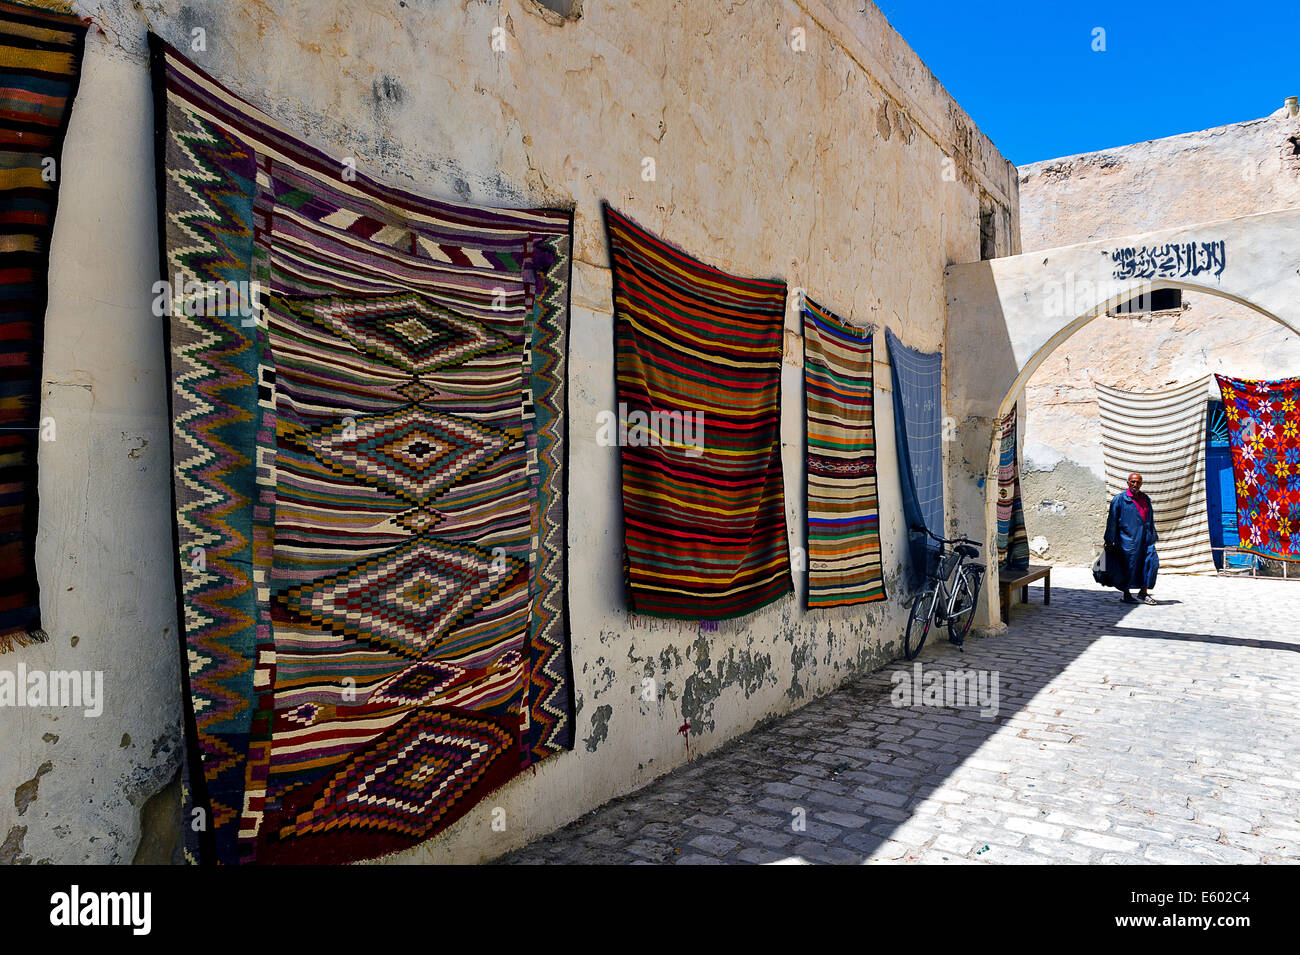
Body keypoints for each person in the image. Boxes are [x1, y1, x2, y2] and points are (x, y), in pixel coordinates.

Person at [1104, 472, 1159, 604]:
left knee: (1152, 563)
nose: (1135, 484)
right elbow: (1112, 520)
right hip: (1127, 540)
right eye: (1133, 482)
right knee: (1128, 566)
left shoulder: (1145, 499)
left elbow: (1149, 519)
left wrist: (1152, 535)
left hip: (1145, 538)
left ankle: (1143, 593)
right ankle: (1126, 594)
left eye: (1138, 482)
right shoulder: (1119, 499)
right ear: (1128, 483)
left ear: (1141, 484)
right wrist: (1109, 539)